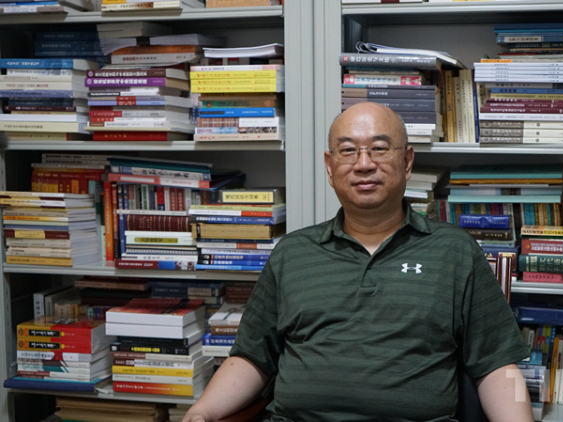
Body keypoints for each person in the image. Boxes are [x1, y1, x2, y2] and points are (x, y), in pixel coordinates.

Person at [183, 102, 533, 422]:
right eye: (348, 150)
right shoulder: (293, 252)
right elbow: (251, 358)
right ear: (330, 166)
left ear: (407, 161)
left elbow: (498, 365)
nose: (364, 164)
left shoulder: (455, 251)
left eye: (379, 148)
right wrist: (201, 413)